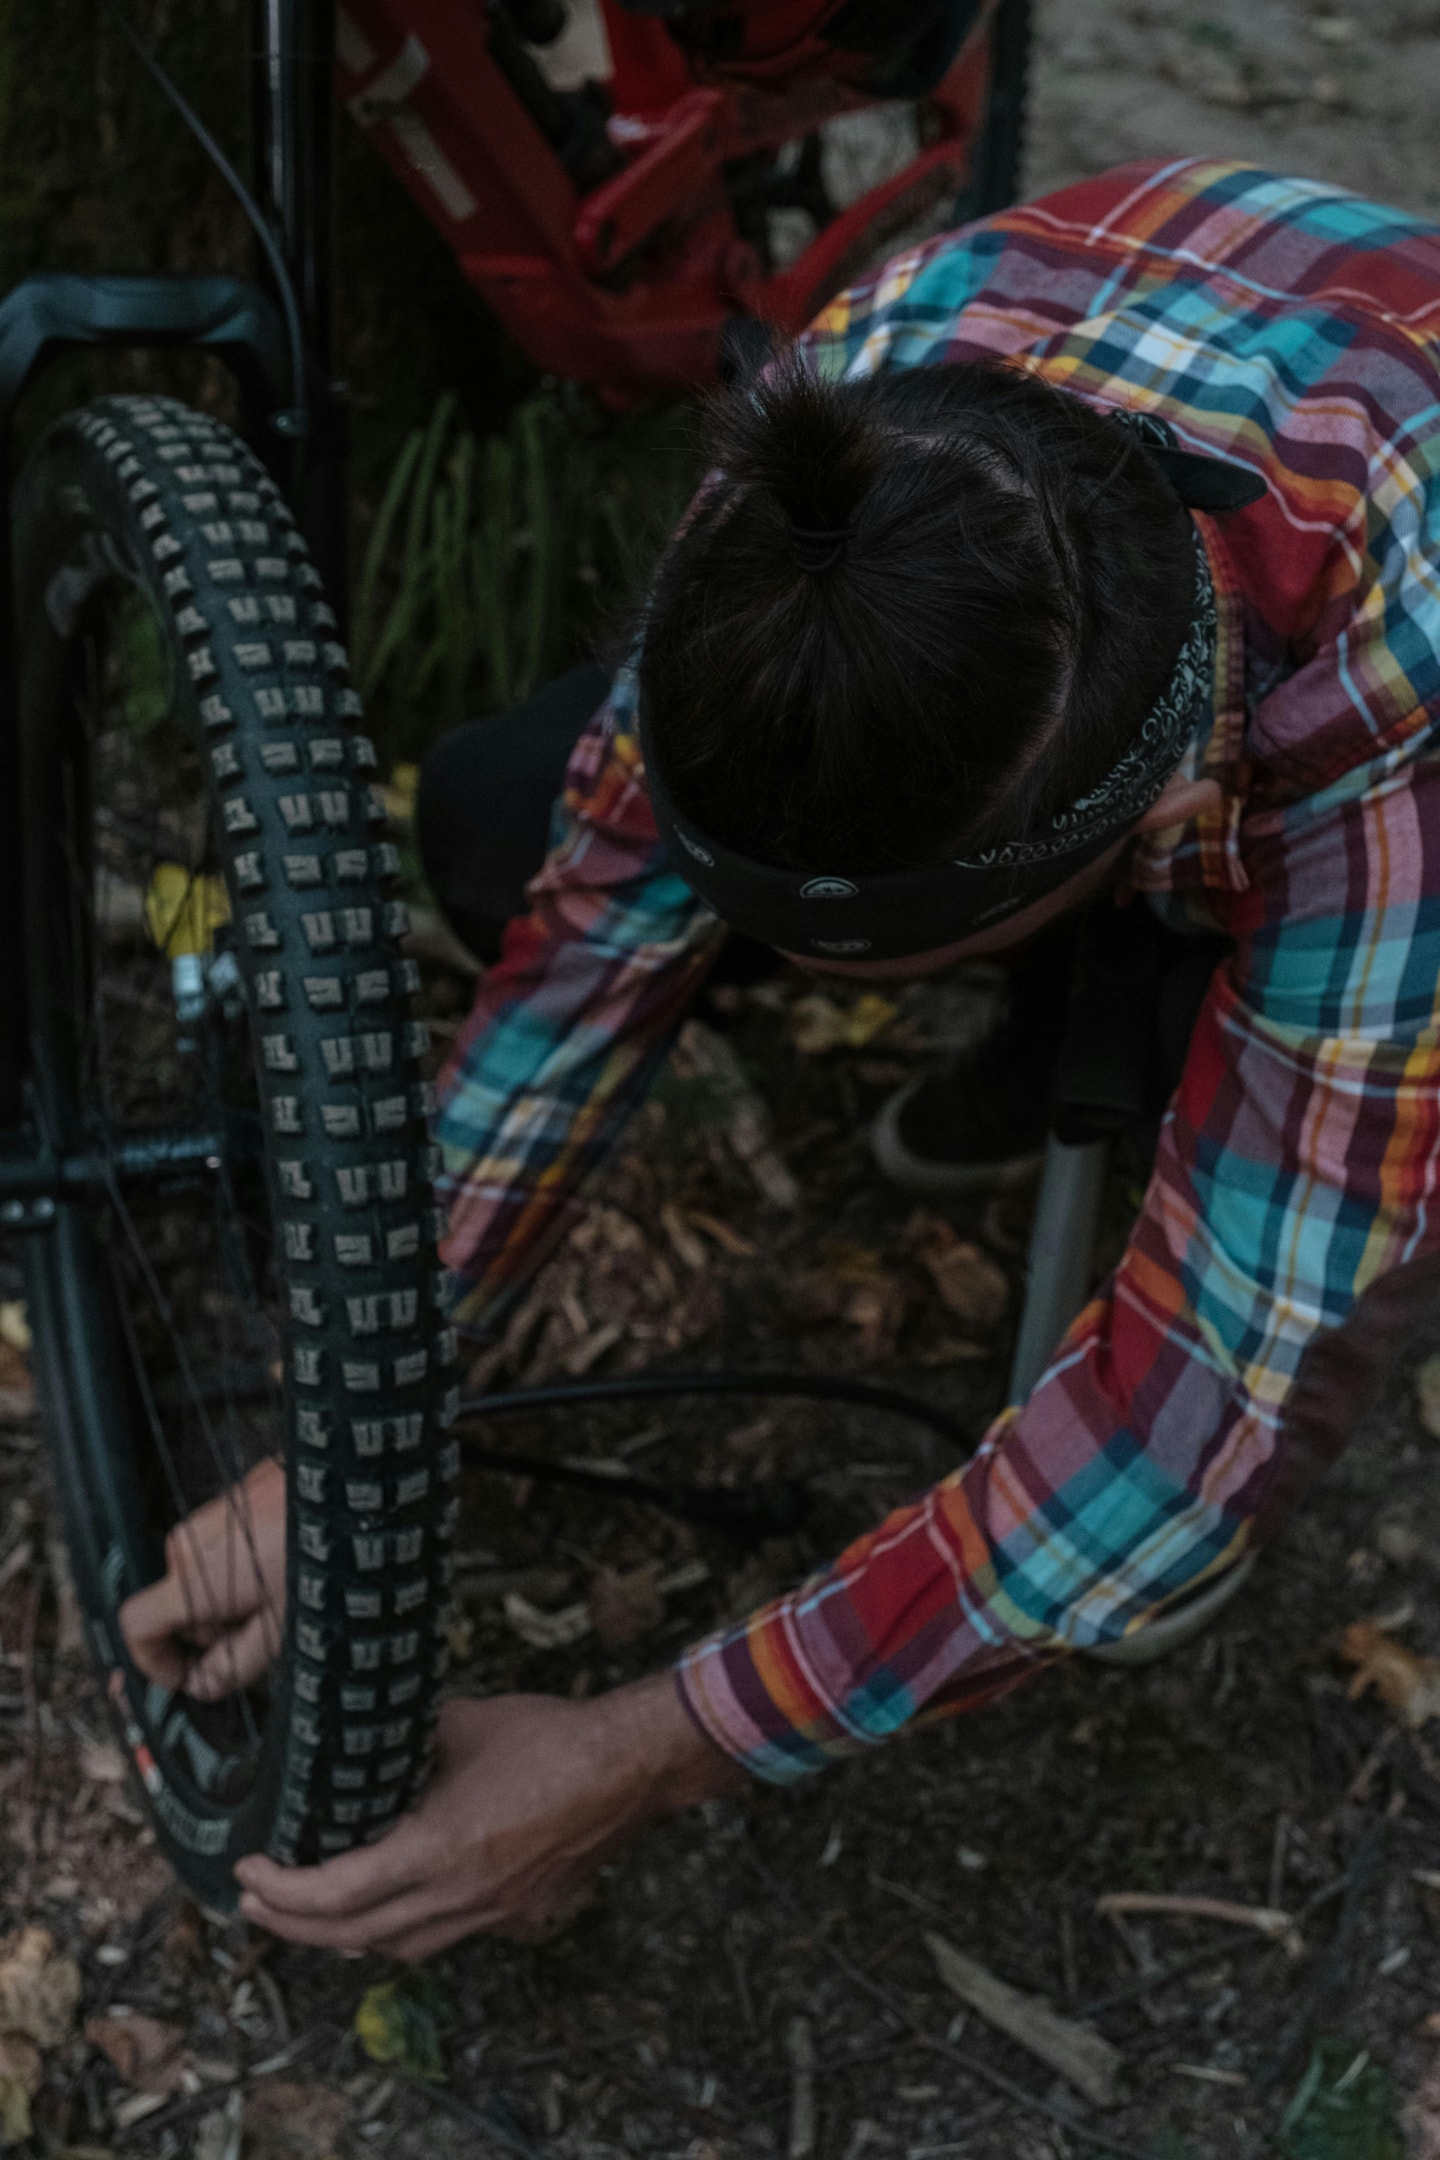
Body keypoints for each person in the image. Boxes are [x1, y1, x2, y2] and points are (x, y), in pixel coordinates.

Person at [121, 154, 1440, 1956]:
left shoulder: (1392, 714)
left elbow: (1179, 1446)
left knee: (1329, 1205)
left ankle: (1123, 1038)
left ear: (1143, 828)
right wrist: (346, 1440)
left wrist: (639, 1751)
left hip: (1359, 652)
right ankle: (1063, 1019)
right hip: (1158, 495)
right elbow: (591, 960)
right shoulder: (835, 444)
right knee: (506, 827)